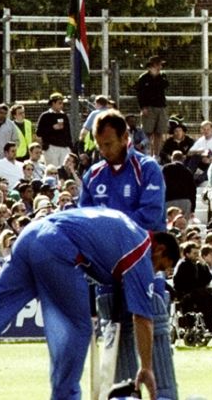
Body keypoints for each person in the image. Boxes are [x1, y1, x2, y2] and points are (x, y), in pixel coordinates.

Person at [0, 208, 175, 400]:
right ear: (160, 250)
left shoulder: (126, 226)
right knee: (77, 328)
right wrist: (147, 368)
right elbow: (142, 318)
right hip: (59, 247)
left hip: (31, 235)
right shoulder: (142, 253)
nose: (155, 273)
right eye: (161, 267)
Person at [79, 109, 173, 395]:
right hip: (107, 278)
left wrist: (108, 230)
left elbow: (150, 217)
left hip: (144, 271)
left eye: (108, 143)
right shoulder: (93, 176)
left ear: (125, 137)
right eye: (99, 145)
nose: (104, 150)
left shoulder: (147, 169)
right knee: (118, 374)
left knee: (157, 360)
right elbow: (83, 223)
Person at [135, 56, 170, 160]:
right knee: (147, 132)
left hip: (161, 107)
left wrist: (157, 76)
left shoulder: (162, 76)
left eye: (160, 65)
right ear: (152, 66)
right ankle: (147, 154)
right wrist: (143, 107)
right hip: (149, 108)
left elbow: (165, 85)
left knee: (159, 132)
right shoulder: (143, 78)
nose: (160, 67)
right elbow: (140, 94)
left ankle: (156, 155)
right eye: (158, 64)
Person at [37, 92, 74, 169]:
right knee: (53, 169)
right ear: (53, 103)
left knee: (64, 169)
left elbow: (68, 133)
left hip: (64, 147)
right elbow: (39, 132)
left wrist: (70, 147)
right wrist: (52, 128)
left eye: (62, 103)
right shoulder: (45, 116)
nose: (61, 105)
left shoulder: (64, 116)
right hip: (51, 147)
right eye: (59, 103)